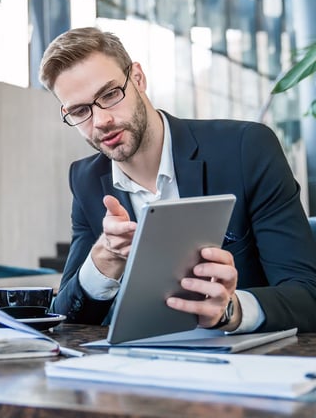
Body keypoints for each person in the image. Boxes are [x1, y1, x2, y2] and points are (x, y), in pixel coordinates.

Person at [39, 26, 316, 334]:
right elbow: (64, 320)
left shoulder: (245, 149)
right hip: (137, 368)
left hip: (243, 364)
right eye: (80, 111)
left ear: (139, 79)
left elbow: (307, 295)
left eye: (109, 94)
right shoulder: (86, 179)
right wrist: (103, 260)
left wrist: (231, 309)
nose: (101, 120)